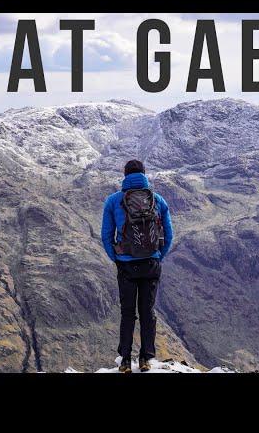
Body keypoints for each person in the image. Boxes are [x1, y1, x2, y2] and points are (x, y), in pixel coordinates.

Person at [101, 159, 173, 373]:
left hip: (126, 266)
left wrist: (116, 258)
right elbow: (169, 235)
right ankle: (145, 359)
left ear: (125, 176)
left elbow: (106, 235)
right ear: (144, 174)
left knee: (128, 313)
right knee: (147, 311)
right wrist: (158, 256)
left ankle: (124, 360)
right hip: (151, 264)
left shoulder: (113, 201)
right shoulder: (157, 200)